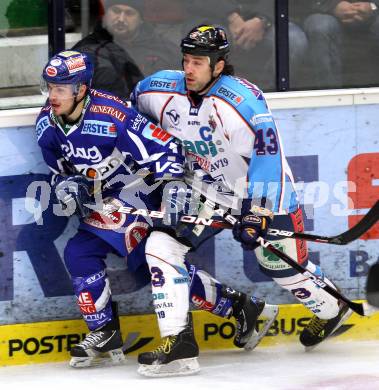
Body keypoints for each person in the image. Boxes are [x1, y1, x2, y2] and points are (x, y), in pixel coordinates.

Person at [131, 24, 353, 376]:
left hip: (261, 191)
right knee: (160, 247)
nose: (189, 68)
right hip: (205, 191)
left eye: (199, 62)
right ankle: (179, 344)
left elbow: (268, 157)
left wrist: (257, 212)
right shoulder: (157, 90)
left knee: (282, 269)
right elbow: (132, 120)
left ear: (218, 65)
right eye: (186, 59)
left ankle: (331, 307)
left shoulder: (241, 102)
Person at [36, 50, 277, 370]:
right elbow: (58, 169)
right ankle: (237, 307)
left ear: (81, 88)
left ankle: (229, 311)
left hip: (138, 193)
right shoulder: (46, 124)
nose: (53, 95)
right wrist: (66, 185)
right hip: (104, 200)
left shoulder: (113, 114)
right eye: (50, 87)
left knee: (129, 256)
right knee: (84, 254)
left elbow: (164, 148)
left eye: (61, 89)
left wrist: (174, 183)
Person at [303, 0, 379, 88]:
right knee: (320, 27)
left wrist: (373, 7)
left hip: (372, 11)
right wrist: (332, 5)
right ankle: (329, 94)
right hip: (323, 11)